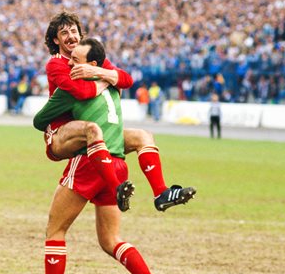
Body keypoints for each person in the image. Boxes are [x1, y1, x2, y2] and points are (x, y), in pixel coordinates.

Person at [24, 38, 166, 274]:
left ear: (90, 64)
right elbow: (124, 78)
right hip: (117, 163)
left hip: (92, 161)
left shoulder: (73, 85)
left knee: (55, 230)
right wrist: (104, 77)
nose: (71, 63)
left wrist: (55, 130)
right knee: (110, 239)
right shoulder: (112, 81)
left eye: (76, 60)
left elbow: (40, 119)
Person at [41, 12, 195, 212]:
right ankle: (116, 187)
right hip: (61, 133)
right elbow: (81, 92)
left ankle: (161, 193)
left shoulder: (91, 59)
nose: (70, 36)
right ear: (56, 40)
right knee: (92, 129)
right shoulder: (56, 63)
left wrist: (98, 72)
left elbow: (126, 79)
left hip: (93, 131)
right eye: (64, 33)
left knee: (143, 136)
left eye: (73, 31)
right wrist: (106, 80)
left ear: (80, 34)